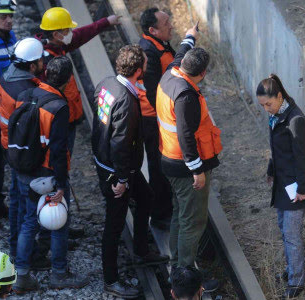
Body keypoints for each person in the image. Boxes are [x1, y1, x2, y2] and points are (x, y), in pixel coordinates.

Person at [91, 45, 169, 299]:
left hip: (113, 165)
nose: (147, 67)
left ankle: (141, 250)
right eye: (145, 64)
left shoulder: (107, 83)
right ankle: (111, 280)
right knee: (114, 225)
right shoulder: (127, 99)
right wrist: (122, 179)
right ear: (138, 70)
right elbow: (121, 143)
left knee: (146, 198)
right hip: (118, 171)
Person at [13, 56, 89, 293]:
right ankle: (59, 273)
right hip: (45, 175)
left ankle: (22, 275)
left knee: (28, 221)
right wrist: (61, 185)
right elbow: (58, 150)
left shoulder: (27, 95)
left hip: (24, 169)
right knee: (58, 223)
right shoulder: (59, 106)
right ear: (67, 80)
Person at [156, 25, 221, 292]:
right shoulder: (186, 96)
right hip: (184, 167)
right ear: (202, 73)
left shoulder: (171, 74)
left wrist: (189, 37)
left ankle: (177, 265)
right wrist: (197, 170)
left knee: (180, 215)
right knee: (193, 221)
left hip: (168, 160)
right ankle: (184, 274)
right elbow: (186, 137)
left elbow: (182, 51)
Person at [256, 74, 305, 299]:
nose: (266, 108)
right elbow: (277, 149)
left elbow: (303, 157)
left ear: (279, 96)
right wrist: (270, 170)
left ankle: (296, 283)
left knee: (292, 234)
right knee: (284, 228)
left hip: (297, 189)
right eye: (263, 105)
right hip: (283, 185)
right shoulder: (277, 116)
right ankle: (291, 270)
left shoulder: (295, 120)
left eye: (268, 103)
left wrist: (304, 189)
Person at [37, 6, 120, 154]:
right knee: (59, 158)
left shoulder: (57, 46)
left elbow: (81, 35)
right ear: (56, 34)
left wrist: (105, 22)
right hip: (59, 122)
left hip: (67, 118)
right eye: (67, 31)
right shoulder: (47, 61)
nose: (71, 33)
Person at [0, 37, 45, 261]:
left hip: (10, 149)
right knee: (29, 210)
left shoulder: (5, 78)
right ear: (32, 65)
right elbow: (31, 131)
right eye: (40, 60)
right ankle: (26, 258)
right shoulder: (26, 92)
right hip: (24, 154)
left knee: (16, 201)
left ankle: (15, 247)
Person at [138, 7, 175, 229]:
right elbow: (152, 92)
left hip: (159, 115)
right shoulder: (149, 52)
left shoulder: (157, 44)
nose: (171, 25)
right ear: (152, 30)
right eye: (166, 23)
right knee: (158, 164)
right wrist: (166, 119)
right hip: (153, 119)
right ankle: (160, 214)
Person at [0, 0, 17, 219]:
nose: (9, 20)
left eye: (10, 16)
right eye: (3, 17)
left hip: (8, 108)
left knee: (1, 159)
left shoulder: (12, 38)